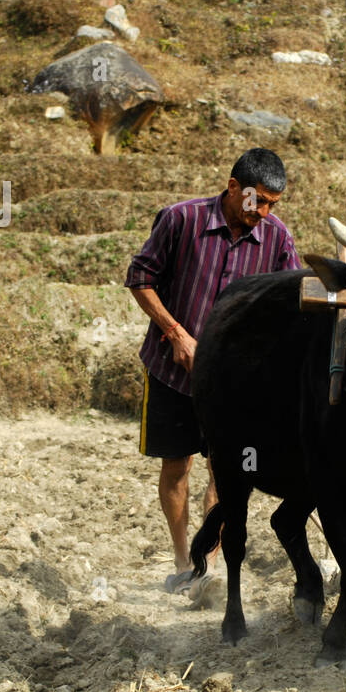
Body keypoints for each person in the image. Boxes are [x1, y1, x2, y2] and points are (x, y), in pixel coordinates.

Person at [125, 148, 301, 595]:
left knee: (225, 473)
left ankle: (208, 563)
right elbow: (140, 278)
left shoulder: (277, 239)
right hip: (172, 371)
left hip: (233, 385)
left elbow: (292, 303)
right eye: (256, 201)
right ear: (232, 187)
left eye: (272, 205)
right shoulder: (181, 220)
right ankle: (183, 557)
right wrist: (175, 334)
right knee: (176, 465)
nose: (263, 212)